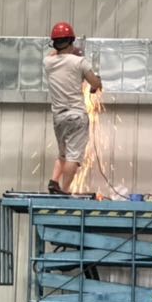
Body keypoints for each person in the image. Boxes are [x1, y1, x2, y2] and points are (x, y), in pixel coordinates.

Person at [43, 21, 101, 194]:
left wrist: (64, 49)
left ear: (54, 43)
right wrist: (97, 83)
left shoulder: (48, 62)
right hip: (76, 116)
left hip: (59, 118)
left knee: (63, 154)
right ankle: (65, 190)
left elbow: (55, 54)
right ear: (71, 41)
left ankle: (54, 182)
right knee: (73, 157)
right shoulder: (80, 62)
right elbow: (94, 83)